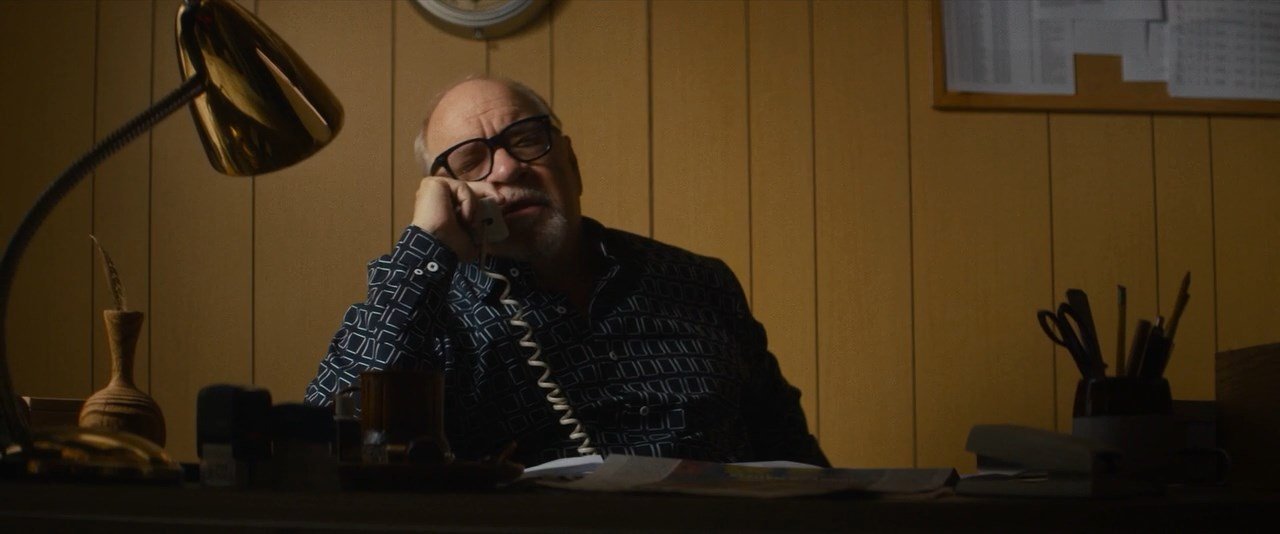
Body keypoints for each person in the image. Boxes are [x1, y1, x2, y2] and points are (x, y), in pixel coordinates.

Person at [305, 77, 828, 468]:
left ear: (571, 162)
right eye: (470, 161)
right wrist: (424, 248)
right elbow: (327, 435)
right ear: (448, 191)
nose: (508, 168)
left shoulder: (700, 282)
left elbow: (791, 453)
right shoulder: (427, 304)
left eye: (526, 139)